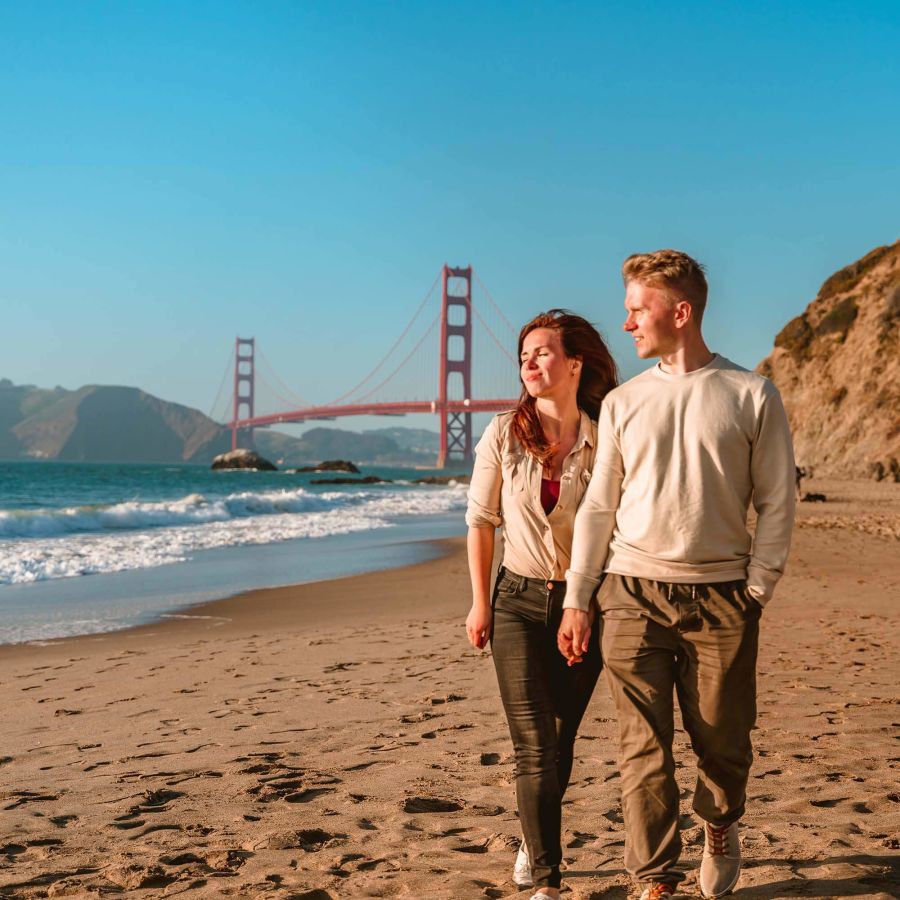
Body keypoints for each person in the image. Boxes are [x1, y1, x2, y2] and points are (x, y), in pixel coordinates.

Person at [558, 250, 795, 900]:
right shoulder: (623, 403)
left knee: (723, 744)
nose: (627, 322)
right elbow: (598, 506)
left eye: (638, 308)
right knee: (643, 747)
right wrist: (580, 597)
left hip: (723, 596)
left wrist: (758, 589)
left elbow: (778, 501)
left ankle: (719, 825)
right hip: (632, 592)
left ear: (680, 312)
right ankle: (654, 878)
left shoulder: (751, 394)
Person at [465, 309, 618, 899]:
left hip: (587, 606)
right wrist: (480, 604)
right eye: (524, 354)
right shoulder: (503, 432)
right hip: (517, 603)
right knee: (533, 744)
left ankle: (534, 836)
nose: (529, 362)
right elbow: (481, 522)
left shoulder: (608, 437)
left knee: (559, 740)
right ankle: (548, 883)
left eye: (543, 352)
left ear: (575, 364)